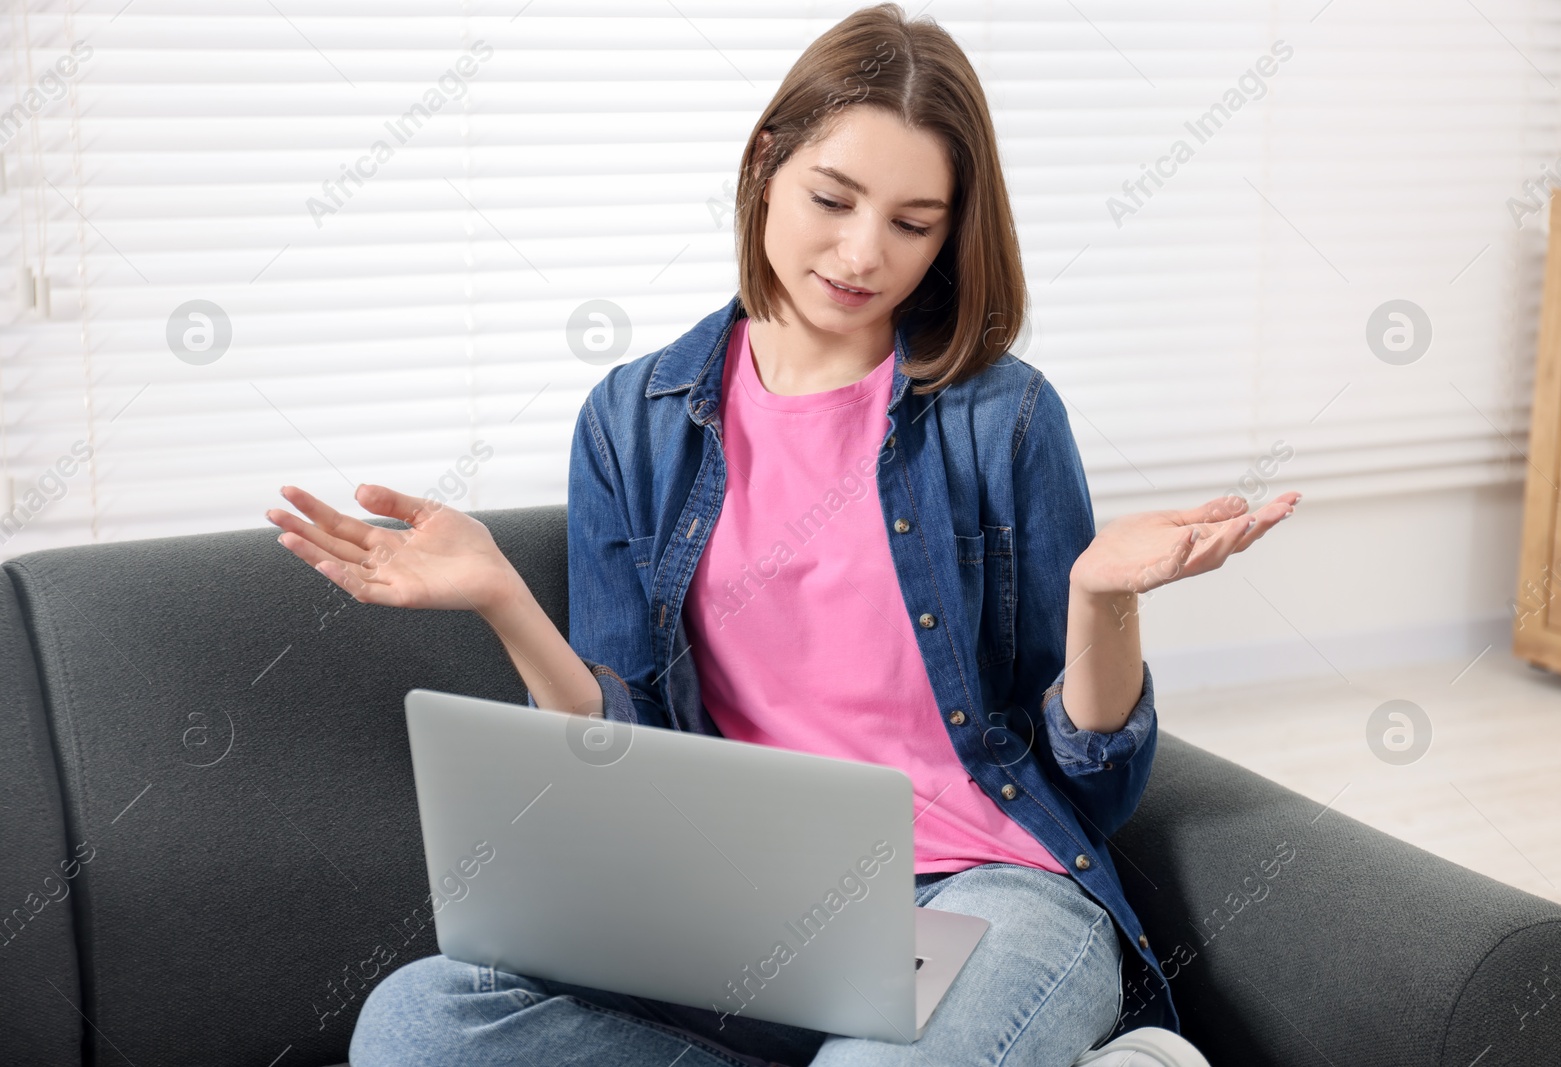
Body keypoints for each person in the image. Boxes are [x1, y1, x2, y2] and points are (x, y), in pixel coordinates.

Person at [267, 5, 1296, 1064]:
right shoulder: (635, 419)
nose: (861, 253)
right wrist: (503, 599)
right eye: (832, 198)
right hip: (742, 910)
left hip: (986, 890)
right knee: (418, 1021)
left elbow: (1095, 787)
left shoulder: (1003, 416)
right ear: (766, 161)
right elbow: (626, 754)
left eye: (912, 222)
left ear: (951, 232)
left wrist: (1099, 596)